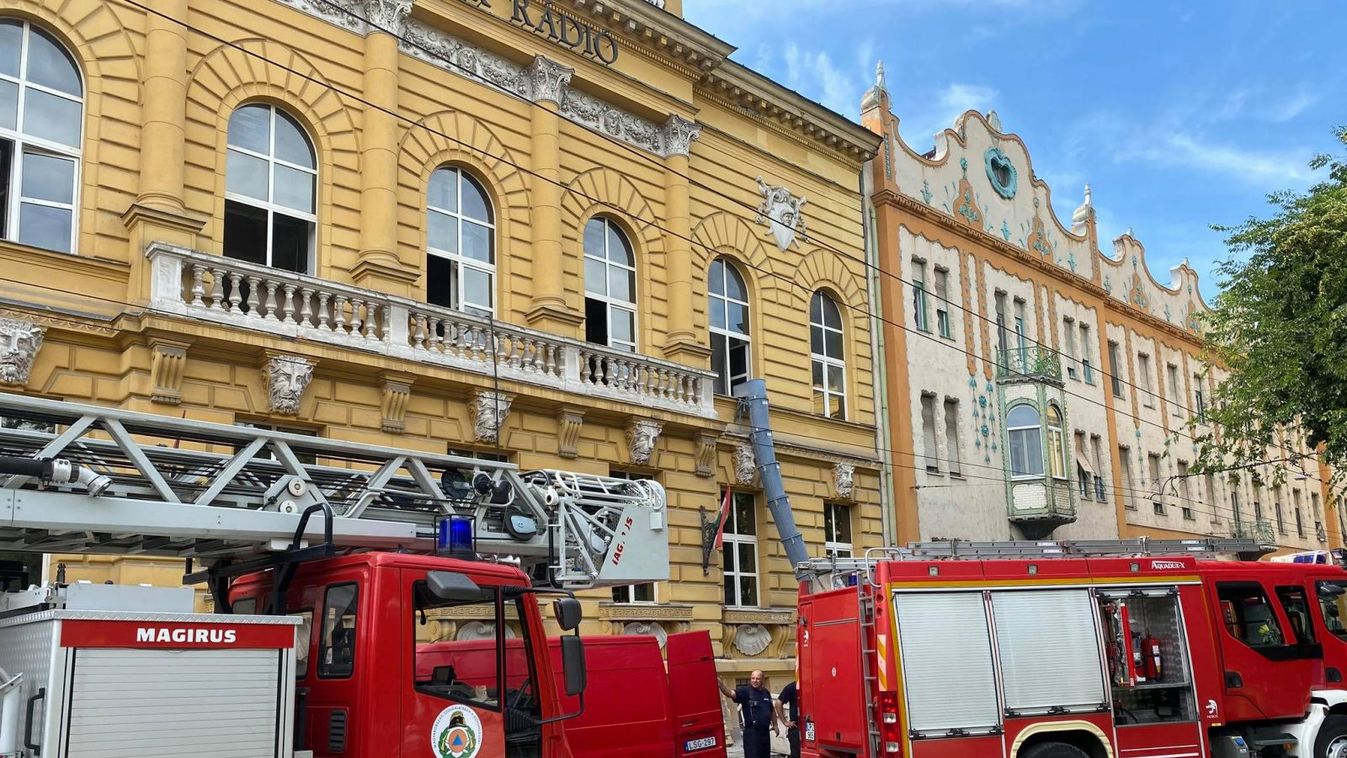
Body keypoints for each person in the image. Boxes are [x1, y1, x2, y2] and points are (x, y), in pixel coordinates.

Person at [718, 670, 777, 758]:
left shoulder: (766, 692)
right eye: (753, 678)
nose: (755, 681)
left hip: (764, 732)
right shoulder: (745, 691)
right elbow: (730, 693)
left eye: (757, 679)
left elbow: (771, 710)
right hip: (752, 733)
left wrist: (775, 725)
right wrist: (720, 684)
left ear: (763, 680)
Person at [776, 679, 800, 758]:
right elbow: (778, 703)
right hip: (796, 726)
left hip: (807, 726)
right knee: (796, 754)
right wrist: (785, 722)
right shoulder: (792, 687)